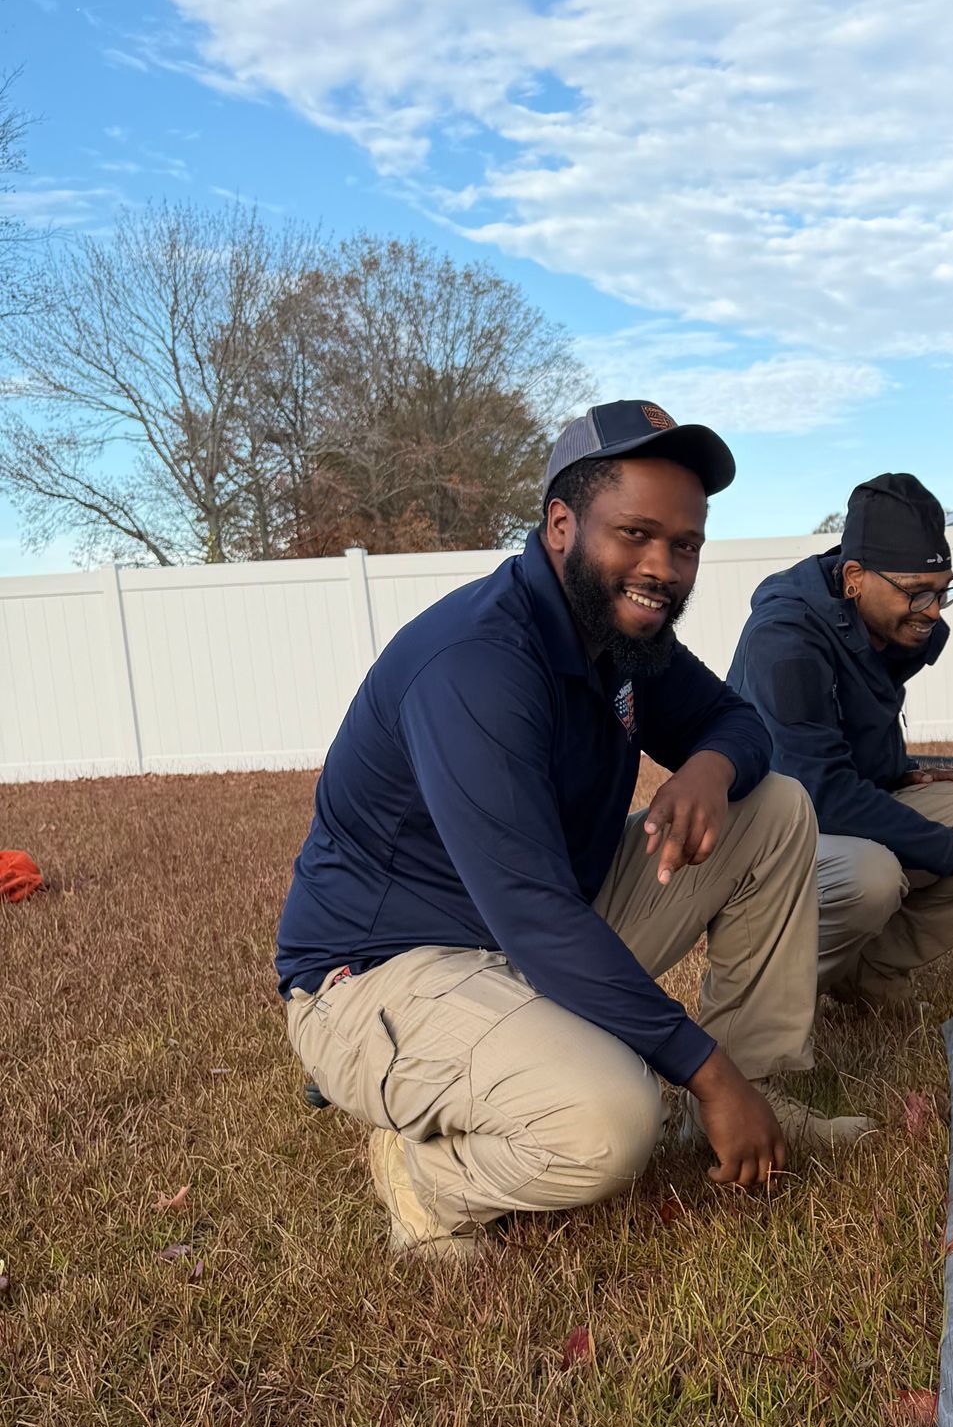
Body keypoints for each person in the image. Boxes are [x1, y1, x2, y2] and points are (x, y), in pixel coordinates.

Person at [276, 398, 869, 1264]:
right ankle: (425, 1176)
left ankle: (761, 1090)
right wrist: (699, 1070)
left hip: (534, 927)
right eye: (635, 533)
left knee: (772, 808)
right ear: (562, 525)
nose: (663, 567)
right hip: (379, 975)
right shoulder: (478, 662)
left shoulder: (619, 633)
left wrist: (709, 767)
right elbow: (532, 912)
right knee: (612, 1118)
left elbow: (739, 725)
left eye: (685, 544)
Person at [729, 471, 953, 1009]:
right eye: (918, 595)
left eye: (943, 593)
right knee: (874, 877)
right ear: (854, 577)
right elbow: (818, 793)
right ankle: (766, 1004)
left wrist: (897, 770)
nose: (935, 614)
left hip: (839, 801)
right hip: (772, 834)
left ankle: (868, 969)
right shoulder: (785, 642)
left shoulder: (897, 624)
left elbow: (857, 714)